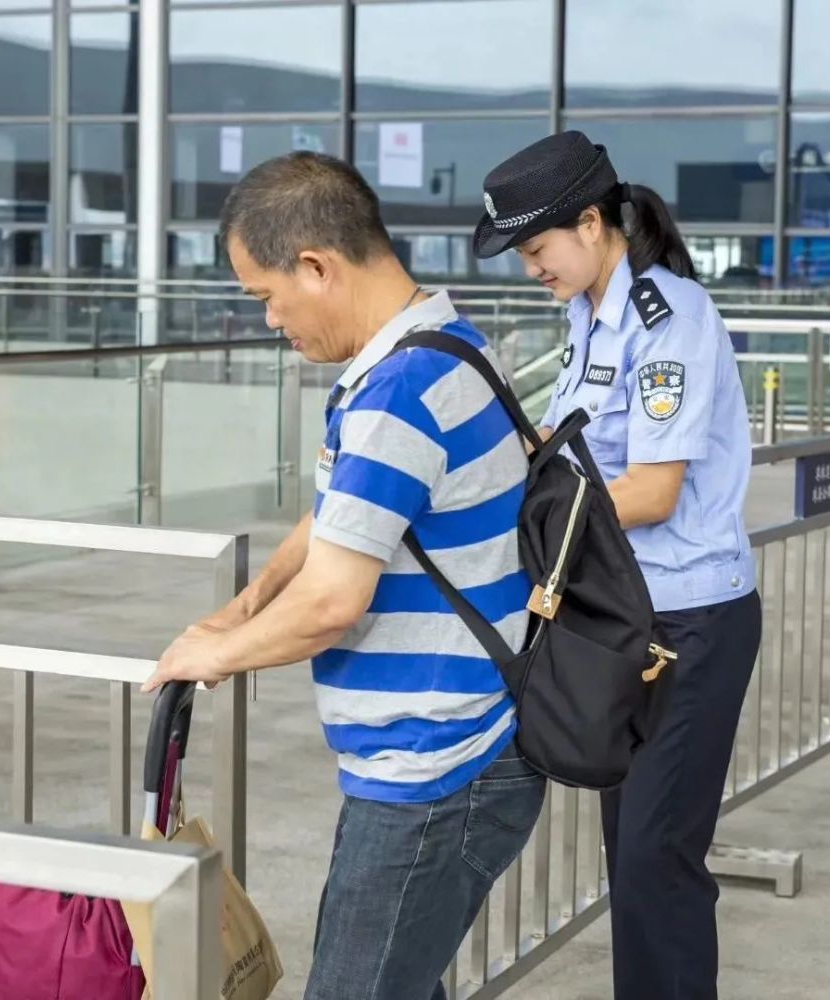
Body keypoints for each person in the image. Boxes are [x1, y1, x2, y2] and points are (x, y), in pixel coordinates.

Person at [143, 151, 546, 1000]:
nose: (269, 321)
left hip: (441, 762)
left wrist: (211, 656)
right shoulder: (445, 346)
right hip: (444, 751)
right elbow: (343, 508)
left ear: (317, 267)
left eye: (266, 295)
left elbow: (332, 602)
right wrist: (246, 605)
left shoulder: (399, 390)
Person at [472, 130, 762, 1000]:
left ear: (591, 223)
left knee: (654, 857)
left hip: (690, 621)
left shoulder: (668, 318)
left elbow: (652, 490)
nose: (531, 267)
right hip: (623, 619)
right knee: (630, 852)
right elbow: (576, 459)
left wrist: (537, 513)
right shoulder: (587, 319)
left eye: (536, 248)